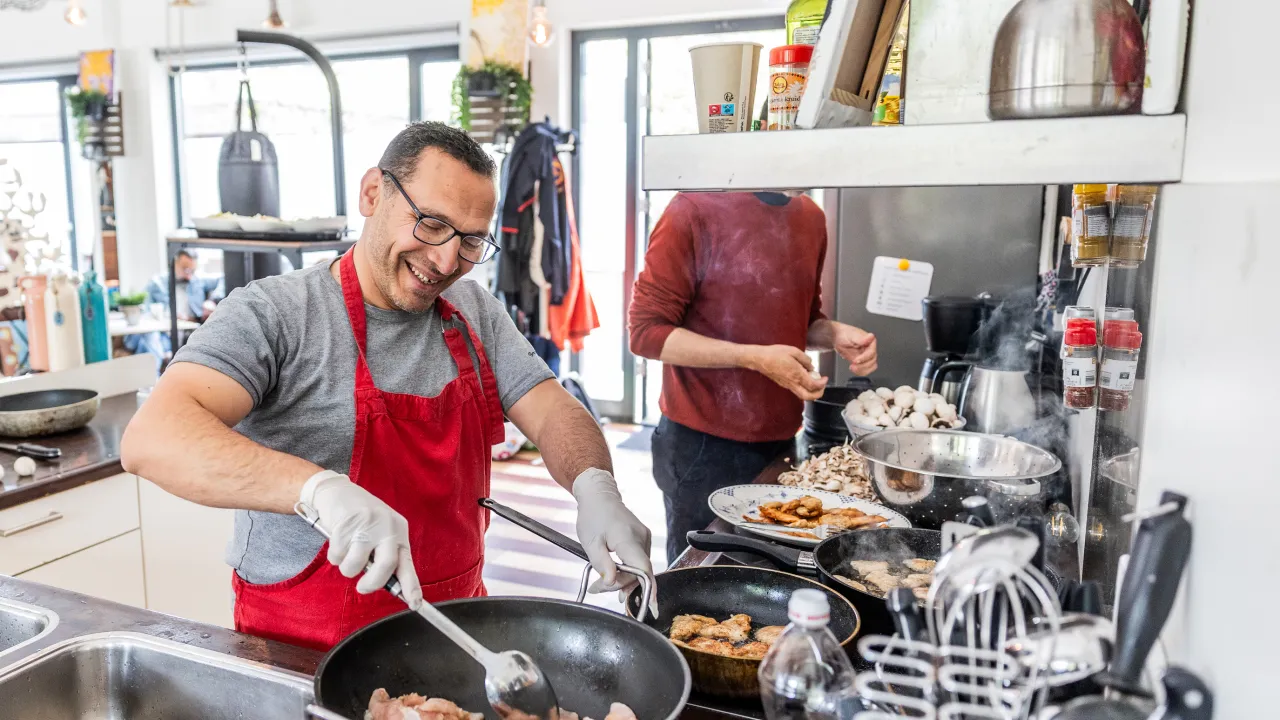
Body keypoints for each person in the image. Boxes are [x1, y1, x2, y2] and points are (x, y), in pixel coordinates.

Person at [121, 122, 654, 651]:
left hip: (458, 636)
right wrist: (317, 491)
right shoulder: (275, 313)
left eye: (471, 240)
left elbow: (553, 409)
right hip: (303, 648)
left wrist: (594, 486)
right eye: (431, 224)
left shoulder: (474, 312)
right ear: (373, 193)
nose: (446, 261)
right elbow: (154, 437)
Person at [628, 191, 878, 563]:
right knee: (700, 576)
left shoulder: (810, 216)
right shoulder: (692, 209)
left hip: (780, 446)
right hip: (702, 446)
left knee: (765, 570)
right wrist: (754, 358)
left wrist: (834, 334)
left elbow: (801, 320)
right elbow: (645, 333)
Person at [123, 250, 223, 366]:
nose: (189, 275)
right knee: (150, 337)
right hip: (165, 333)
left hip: (191, 332)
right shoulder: (157, 283)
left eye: (193, 270)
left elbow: (223, 279)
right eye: (185, 269)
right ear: (174, 263)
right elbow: (144, 313)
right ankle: (155, 373)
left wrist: (213, 300)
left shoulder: (198, 280)